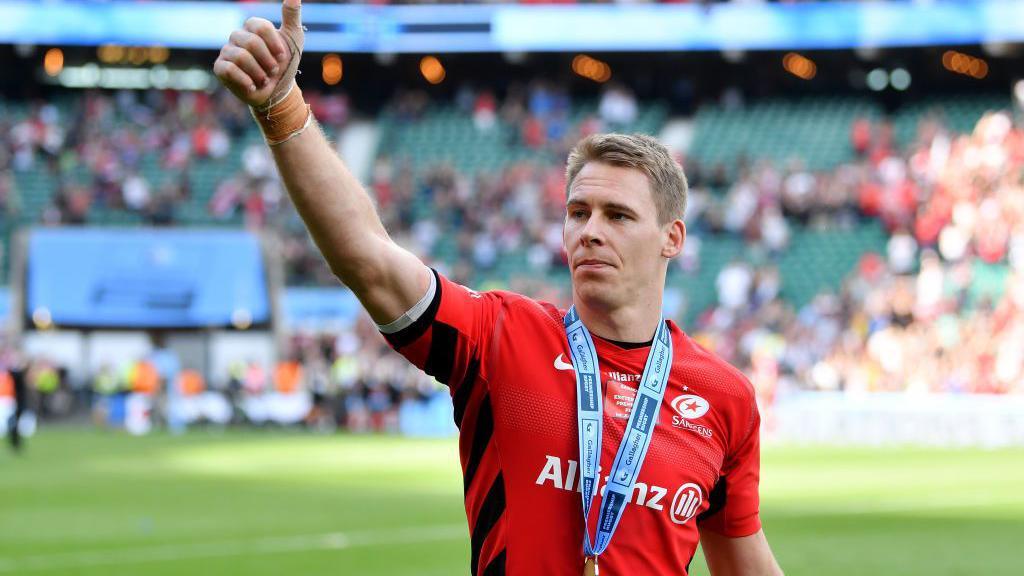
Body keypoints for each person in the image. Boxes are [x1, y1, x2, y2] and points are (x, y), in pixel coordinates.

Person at [213, 2, 784, 574]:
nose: (589, 231)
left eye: (618, 216)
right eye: (578, 211)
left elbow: (745, 562)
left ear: (672, 238)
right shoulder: (500, 337)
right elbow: (368, 258)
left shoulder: (724, 397)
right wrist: (282, 107)